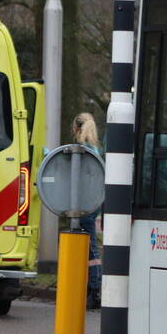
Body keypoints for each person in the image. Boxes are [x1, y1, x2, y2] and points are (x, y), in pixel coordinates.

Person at [73, 112, 102, 310]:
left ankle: (94, 290)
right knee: (90, 248)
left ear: (76, 128)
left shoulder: (80, 151)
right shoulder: (95, 150)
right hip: (93, 203)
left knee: (90, 249)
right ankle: (90, 289)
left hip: (82, 204)